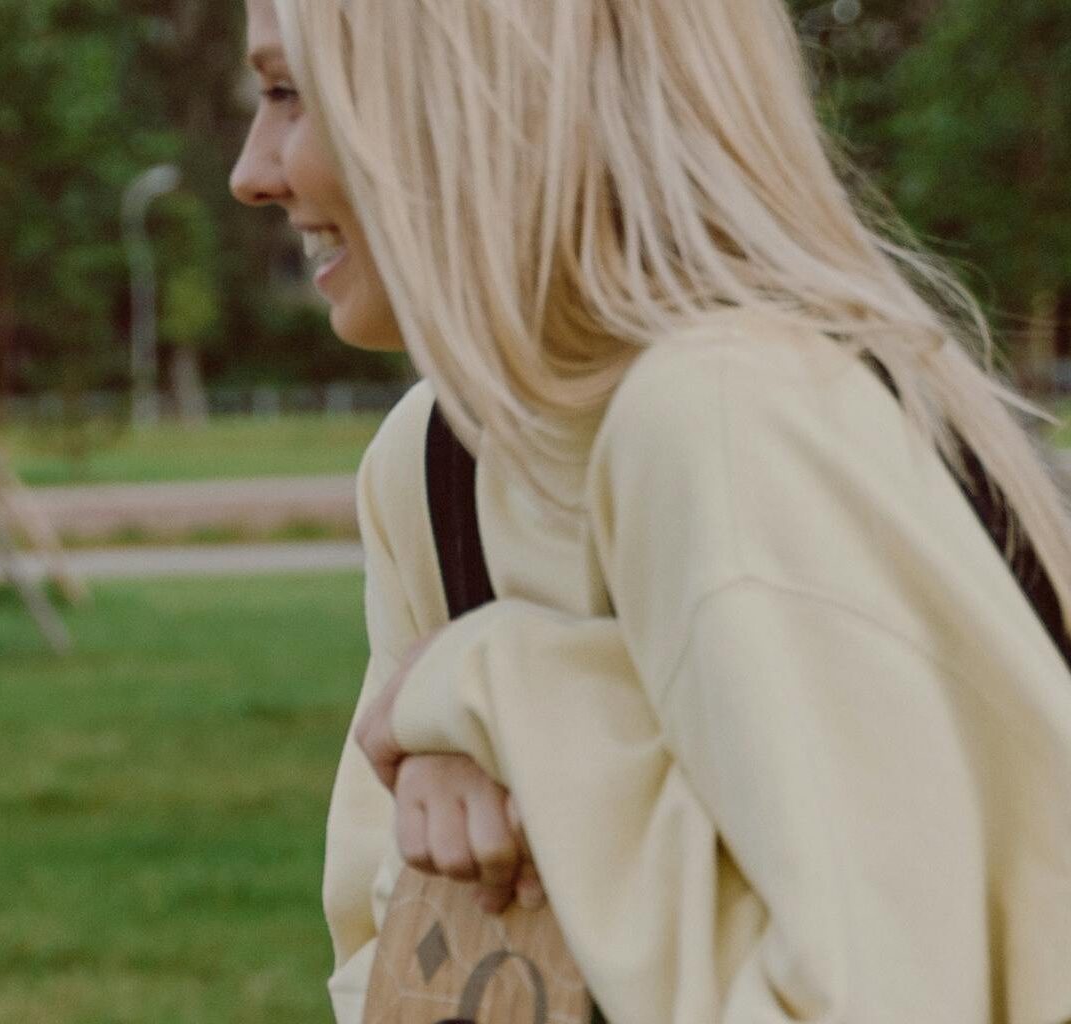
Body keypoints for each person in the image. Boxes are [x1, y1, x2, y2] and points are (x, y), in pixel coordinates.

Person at [229, 0, 1071, 1019]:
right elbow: (393, 957)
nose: (250, 171)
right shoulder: (433, 458)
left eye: (287, 93)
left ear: (480, 90)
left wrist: (501, 693)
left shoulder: (728, 416)